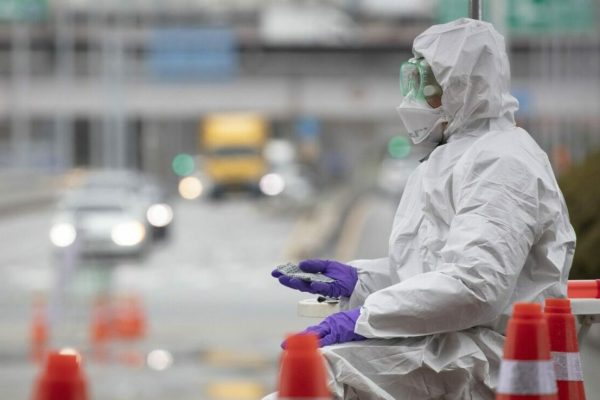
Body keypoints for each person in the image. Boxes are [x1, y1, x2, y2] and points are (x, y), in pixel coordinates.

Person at [268, 18, 576, 400]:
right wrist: (360, 282)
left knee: (322, 373)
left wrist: (364, 317)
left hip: (493, 358)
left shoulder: (502, 161)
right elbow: (433, 270)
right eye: (413, 79)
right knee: (310, 373)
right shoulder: (452, 156)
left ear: (463, 85)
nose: (414, 94)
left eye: (427, 81)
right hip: (451, 346)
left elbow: (475, 287)